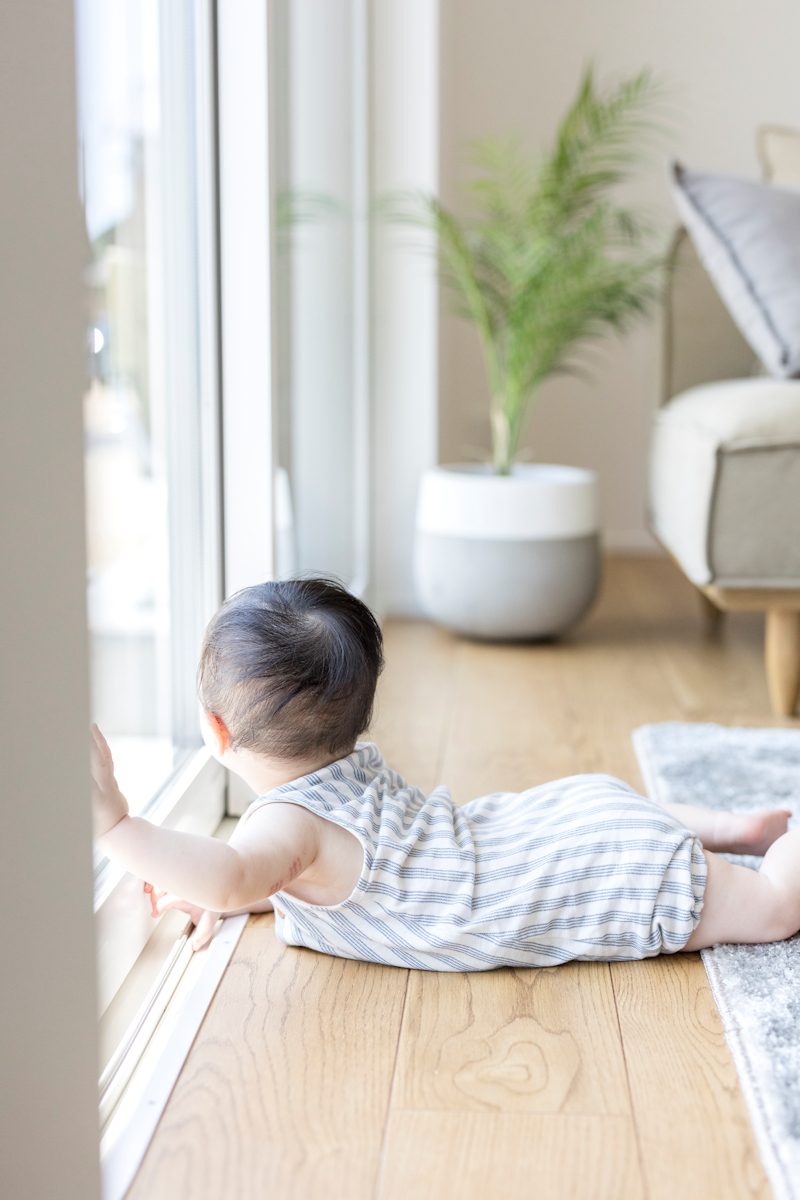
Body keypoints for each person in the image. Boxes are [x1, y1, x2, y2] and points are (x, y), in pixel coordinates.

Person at [91, 578, 799, 967]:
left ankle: (757, 852)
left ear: (216, 731)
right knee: (630, 812)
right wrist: (237, 897)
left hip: (598, 873)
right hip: (558, 820)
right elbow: (290, 881)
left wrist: (118, 824)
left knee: (774, 908)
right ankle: (729, 828)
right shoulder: (340, 777)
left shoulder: (283, 826)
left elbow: (235, 872)